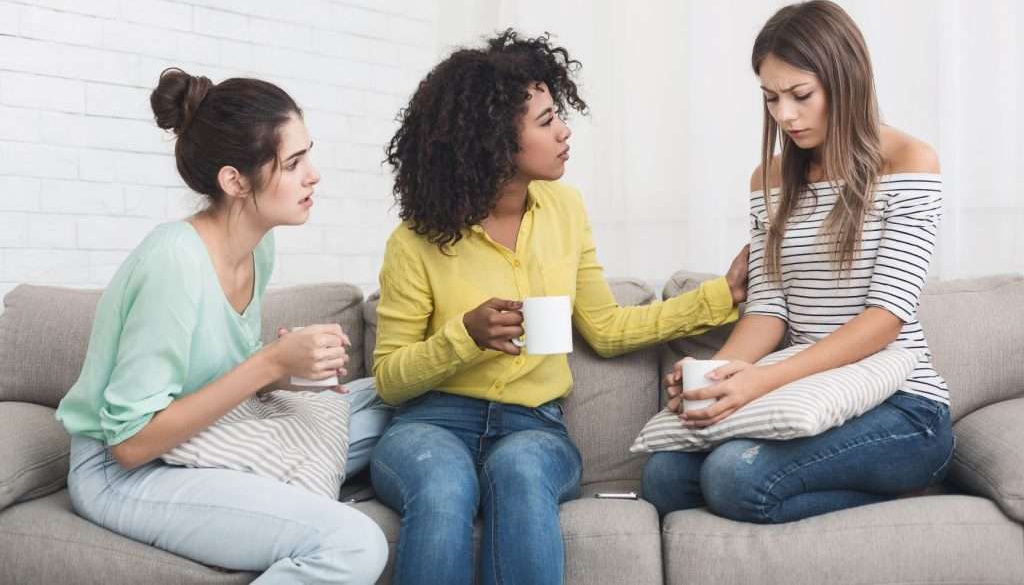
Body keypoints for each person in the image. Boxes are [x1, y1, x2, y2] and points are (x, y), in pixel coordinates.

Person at [369, 29, 749, 585]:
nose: (565, 132)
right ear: (494, 141)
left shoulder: (565, 209)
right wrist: (464, 337)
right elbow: (389, 380)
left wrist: (723, 295)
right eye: (546, 122)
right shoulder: (416, 240)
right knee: (442, 483)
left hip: (533, 425)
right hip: (432, 422)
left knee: (520, 472)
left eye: (558, 116)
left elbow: (607, 328)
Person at [55, 68, 389, 583]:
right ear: (234, 180)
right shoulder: (175, 263)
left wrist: (285, 372)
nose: (314, 175)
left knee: (389, 398)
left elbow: (217, 369)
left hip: (209, 433)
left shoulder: (259, 245)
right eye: (294, 162)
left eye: (309, 156)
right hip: (125, 471)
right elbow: (130, 443)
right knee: (354, 542)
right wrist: (268, 364)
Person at [642, 0, 954, 524]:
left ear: (845, 81)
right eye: (771, 98)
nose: (784, 115)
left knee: (732, 477)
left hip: (903, 406)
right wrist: (720, 375)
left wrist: (763, 381)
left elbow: (885, 319)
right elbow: (768, 308)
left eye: (800, 95)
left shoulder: (909, 162)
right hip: (809, 394)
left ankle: (913, 485)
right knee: (663, 476)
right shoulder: (767, 178)